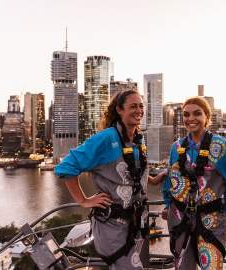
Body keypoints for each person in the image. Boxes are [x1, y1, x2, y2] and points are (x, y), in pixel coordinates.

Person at [55, 90, 166, 270]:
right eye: (133, 106)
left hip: (137, 223)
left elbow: (132, 175)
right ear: (119, 110)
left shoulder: (137, 138)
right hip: (114, 227)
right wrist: (84, 200)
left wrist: (153, 180)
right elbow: (66, 167)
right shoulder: (106, 138)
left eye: (141, 106)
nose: (139, 110)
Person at [150, 97, 226, 270]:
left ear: (207, 116)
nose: (190, 118)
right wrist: (169, 205)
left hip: (211, 217)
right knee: (182, 265)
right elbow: (171, 179)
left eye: (197, 113)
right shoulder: (177, 147)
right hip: (179, 218)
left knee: (211, 265)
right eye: (186, 114)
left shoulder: (220, 146)